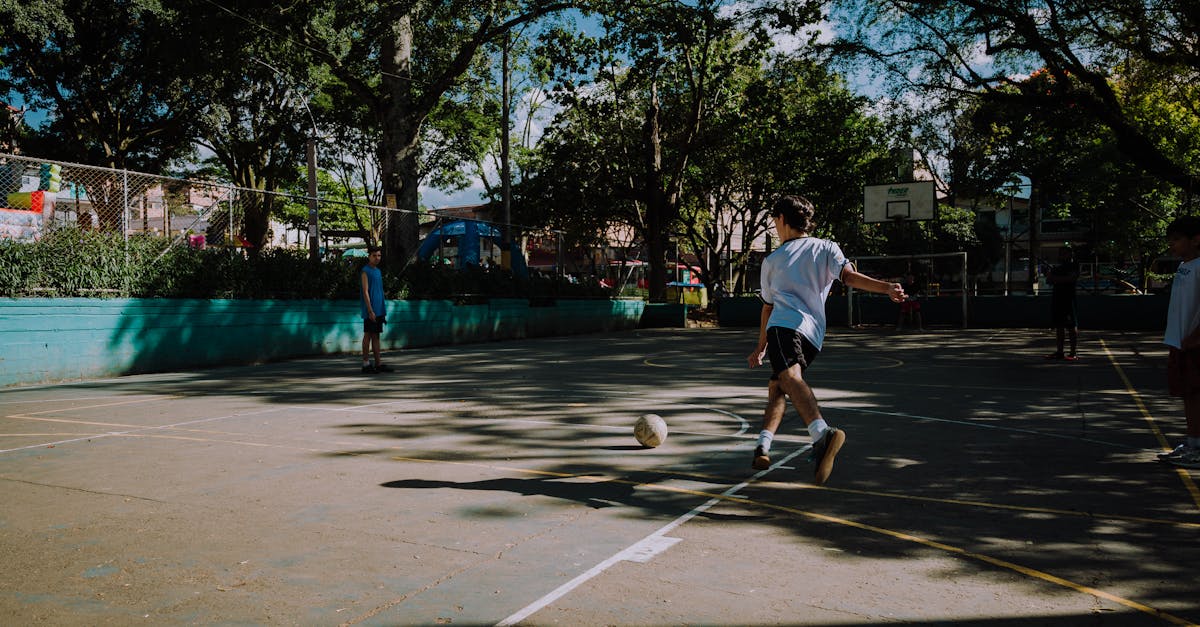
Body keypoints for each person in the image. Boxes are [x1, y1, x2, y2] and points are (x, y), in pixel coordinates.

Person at [747, 195, 906, 484]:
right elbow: (849, 277)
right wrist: (886, 288)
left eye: (774, 219)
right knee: (778, 384)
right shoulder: (827, 247)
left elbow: (768, 307)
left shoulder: (772, 260)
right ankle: (762, 446)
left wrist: (762, 344)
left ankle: (822, 434)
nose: (774, 224)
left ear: (782, 219)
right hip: (813, 336)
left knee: (789, 377)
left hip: (784, 327)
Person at [1158, 216, 1200, 468]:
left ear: (1196, 240)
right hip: (1179, 342)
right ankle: (1193, 442)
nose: (1171, 245)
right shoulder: (1185, 266)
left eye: (1176, 240)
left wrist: (1194, 339)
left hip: (1193, 345)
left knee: (1196, 395)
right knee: (1188, 395)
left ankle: (1197, 447)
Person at [360, 246, 394, 374]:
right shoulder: (365, 271)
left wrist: (381, 310)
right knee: (368, 335)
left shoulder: (378, 271)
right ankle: (365, 364)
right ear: (369, 256)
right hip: (371, 310)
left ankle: (378, 363)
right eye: (374, 255)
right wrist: (370, 310)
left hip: (379, 310)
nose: (377, 258)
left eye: (379, 255)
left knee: (376, 337)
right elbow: (365, 292)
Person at [1045, 247, 1080, 360]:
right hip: (1057, 299)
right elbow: (1049, 280)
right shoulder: (1057, 268)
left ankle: (1073, 353)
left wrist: (1055, 278)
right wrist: (1056, 277)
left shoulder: (1074, 266)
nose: (1062, 256)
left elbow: (1071, 279)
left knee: (1071, 326)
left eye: (1065, 253)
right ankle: (1060, 352)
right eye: (1061, 254)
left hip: (1068, 299)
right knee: (1059, 326)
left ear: (1070, 254)